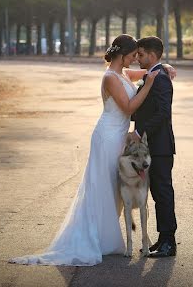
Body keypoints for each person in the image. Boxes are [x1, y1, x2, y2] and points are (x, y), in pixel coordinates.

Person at [9, 34, 160, 266]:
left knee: (113, 188)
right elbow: (129, 106)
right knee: (102, 186)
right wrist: (148, 86)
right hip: (107, 137)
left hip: (119, 138)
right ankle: (94, 238)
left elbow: (146, 72)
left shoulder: (123, 73)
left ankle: (104, 237)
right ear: (122, 55)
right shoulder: (110, 77)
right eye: (131, 56)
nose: (134, 60)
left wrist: (164, 68)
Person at [131, 35, 177, 258]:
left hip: (160, 146)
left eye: (140, 54)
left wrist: (140, 131)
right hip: (152, 147)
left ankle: (169, 241)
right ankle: (163, 239)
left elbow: (163, 113)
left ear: (151, 55)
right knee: (159, 194)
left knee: (163, 193)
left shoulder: (160, 79)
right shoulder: (153, 75)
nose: (137, 58)